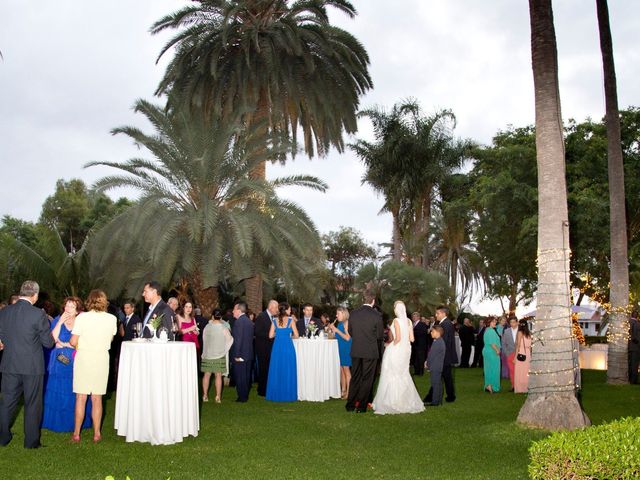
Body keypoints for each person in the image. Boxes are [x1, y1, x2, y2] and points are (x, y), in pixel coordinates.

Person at [0, 281, 54, 448]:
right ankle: (31, 442)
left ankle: (2, 438)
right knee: (32, 404)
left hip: (9, 364)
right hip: (32, 367)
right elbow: (48, 343)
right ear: (35, 295)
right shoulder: (38, 314)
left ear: (21, 292)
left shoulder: (5, 312)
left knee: (7, 402)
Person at [69, 289, 117, 443]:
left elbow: (73, 342)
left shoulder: (82, 318)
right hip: (101, 359)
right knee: (97, 398)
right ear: (104, 301)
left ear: (89, 301)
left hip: (84, 358)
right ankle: (97, 433)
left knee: (81, 397)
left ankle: (76, 434)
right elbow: (110, 340)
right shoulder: (112, 319)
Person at [42, 296, 92, 432]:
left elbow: (83, 342)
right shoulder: (58, 320)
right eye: (67, 306)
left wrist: (64, 344)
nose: (68, 309)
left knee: (74, 389)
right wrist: (60, 323)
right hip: (58, 361)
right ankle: (57, 422)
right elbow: (52, 339)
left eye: (72, 306)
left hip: (76, 360)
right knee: (58, 389)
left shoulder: (81, 322)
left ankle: (75, 422)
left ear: (77, 310)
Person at [372, 301, 424, 415]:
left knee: (391, 373)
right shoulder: (409, 321)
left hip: (396, 350)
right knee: (403, 374)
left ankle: (391, 402)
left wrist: (388, 345)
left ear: (396, 309)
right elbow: (412, 339)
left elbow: (398, 338)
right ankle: (405, 401)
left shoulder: (396, 321)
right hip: (406, 351)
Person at [346, 290, 383, 413]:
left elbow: (350, 332)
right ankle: (361, 407)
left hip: (356, 350)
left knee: (355, 377)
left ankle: (350, 405)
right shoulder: (376, 315)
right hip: (370, 352)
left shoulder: (354, 313)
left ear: (363, 299)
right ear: (373, 301)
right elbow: (379, 335)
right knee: (367, 379)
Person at [423, 306, 457, 405]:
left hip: (444, 357)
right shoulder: (445, 323)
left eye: (437, 313)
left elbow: (443, 341)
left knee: (439, 378)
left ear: (443, 314)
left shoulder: (446, 324)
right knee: (446, 377)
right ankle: (449, 396)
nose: (436, 315)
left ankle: (432, 398)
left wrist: (436, 356)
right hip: (445, 356)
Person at [266, 302, 299, 402]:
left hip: (277, 348)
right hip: (288, 347)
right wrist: (288, 336)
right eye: (289, 309)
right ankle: (288, 394)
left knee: (277, 369)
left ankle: (276, 394)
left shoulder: (274, 321)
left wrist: (279, 333)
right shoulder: (291, 320)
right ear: (286, 310)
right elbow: (296, 335)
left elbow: (270, 336)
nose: (290, 311)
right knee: (288, 369)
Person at [201, 309, 234, 403]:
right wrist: (224, 350)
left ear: (212, 316)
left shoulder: (207, 327)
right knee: (218, 375)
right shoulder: (224, 328)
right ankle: (218, 397)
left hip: (207, 354)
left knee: (206, 375)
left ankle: (205, 396)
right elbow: (230, 340)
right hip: (219, 355)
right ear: (221, 317)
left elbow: (204, 339)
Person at [254, 300, 278, 397]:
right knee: (263, 369)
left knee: (268, 369)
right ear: (271, 307)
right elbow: (257, 332)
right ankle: (262, 390)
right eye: (276, 308)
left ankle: (267, 388)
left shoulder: (273, 317)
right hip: (262, 348)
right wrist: (271, 335)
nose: (277, 310)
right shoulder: (261, 317)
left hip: (270, 348)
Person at [231, 301, 254, 402]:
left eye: (234, 309)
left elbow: (238, 340)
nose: (232, 311)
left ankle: (242, 397)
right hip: (248, 353)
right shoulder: (249, 321)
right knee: (246, 376)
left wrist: (237, 354)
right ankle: (244, 395)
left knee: (240, 376)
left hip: (240, 354)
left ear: (239, 310)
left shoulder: (239, 322)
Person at [329, 307, 352, 399]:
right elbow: (337, 336)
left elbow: (347, 338)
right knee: (341, 370)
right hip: (340, 348)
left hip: (346, 348)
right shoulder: (340, 323)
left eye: (338, 314)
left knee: (346, 370)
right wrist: (331, 330)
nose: (336, 315)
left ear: (343, 314)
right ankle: (343, 390)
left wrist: (336, 329)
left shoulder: (347, 323)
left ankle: (349, 393)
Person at [425, 324, 446, 406]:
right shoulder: (439, 341)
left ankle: (435, 402)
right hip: (438, 366)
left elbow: (431, 355)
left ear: (438, 332)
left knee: (435, 384)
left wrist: (428, 364)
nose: (431, 333)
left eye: (432, 331)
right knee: (438, 384)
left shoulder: (438, 342)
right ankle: (438, 400)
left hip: (435, 366)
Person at [482, 317, 501, 393]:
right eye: (493, 322)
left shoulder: (487, 330)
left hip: (488, 351)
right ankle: (491, 386)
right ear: (489, 323)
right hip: (492, 351)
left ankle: (488, 385)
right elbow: (492, 343)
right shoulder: (491, 331)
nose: (495, 323)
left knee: (489, 368)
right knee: (494, 369)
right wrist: (497, 351)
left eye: (495, 321)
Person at [513, 320, 532, 393]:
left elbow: (518, 345)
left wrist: (515, 357)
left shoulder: (520, 332)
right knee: (526, 371)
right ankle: (526, 388)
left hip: (521, 352)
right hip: (527, 353)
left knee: (519, 371)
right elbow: (530, 346)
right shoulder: (529, 333)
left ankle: (520, 389)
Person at [501, 316, 519, 390]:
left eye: (514, 322)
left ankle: (519, 385)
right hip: (510, 353)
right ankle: (513, 385)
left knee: (519, 370)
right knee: (512, 370)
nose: (512, 324)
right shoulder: (506, 331)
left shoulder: (521, 331)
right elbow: (503, 343)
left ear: (517, 322)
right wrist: (507, 353)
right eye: (511, 322)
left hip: (520, 354)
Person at [411, 311, 428, 376]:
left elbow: (423, 334)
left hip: (421, 345)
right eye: (413, 316)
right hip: (414, 345)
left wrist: (413, 332)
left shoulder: (422, 324)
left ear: (419, 317)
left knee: (420, 359)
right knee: (415, 359)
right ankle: (416, 371)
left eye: (415, 316)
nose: (414, 318)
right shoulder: (412, 324)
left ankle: (421, 372)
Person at [630, 310, 640, 384]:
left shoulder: (630, 322)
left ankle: (632, 379)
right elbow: (632, 334)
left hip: (632, 346)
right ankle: (633, 381)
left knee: (633, 364)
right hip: (635, 347)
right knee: (634, 364)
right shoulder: (634, 323)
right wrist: (636, 341)